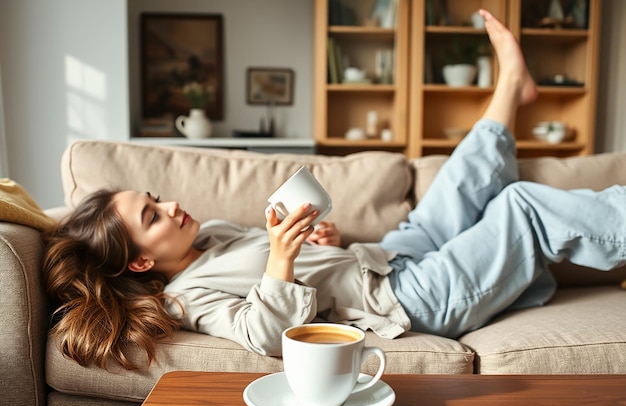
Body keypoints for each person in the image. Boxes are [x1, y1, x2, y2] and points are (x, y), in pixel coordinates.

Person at [43, 10, 626, 370]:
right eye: (153, 214)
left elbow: (320, 274)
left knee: (462, 176)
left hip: (389, 256)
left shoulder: (213, 234)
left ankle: (512, 88)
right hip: (407, 298)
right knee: (517, 206)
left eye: (156, 197)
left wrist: (325, 241)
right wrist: (281, 259)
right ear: (143, 258)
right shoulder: (187, 298)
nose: (170, 204)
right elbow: (264, 336)